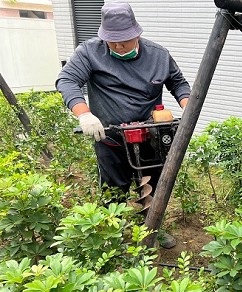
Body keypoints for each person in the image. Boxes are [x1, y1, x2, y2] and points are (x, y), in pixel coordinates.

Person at [56, 2, 191, 248]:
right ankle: (112, 236)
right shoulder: (89, 52)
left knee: (153, 184)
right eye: (112, 40)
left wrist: (188, 105)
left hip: (151, 135)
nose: (118, 46)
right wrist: (84, 113)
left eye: (124, 40)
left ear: (137, 33)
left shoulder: (158, 55)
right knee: (113, 188)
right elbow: (67, 80)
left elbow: (178, 83)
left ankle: (152, 228)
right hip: (111, 136)